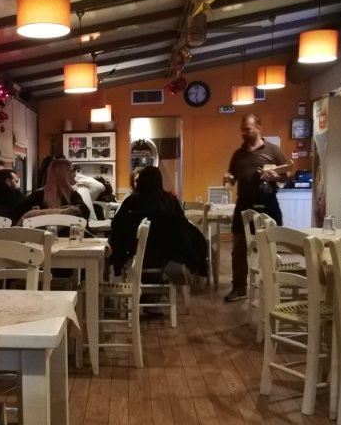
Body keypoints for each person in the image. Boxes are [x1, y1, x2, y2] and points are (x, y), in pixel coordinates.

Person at [223, 113, 290, 302]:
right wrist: (228, 178)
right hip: (243, 204)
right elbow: (232, 178)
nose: (244, 133)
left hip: (268, 203)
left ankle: (272, 285)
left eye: (248, 129)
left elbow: (287, 176)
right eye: (242, 130)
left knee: (271, 247)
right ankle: (239, 287)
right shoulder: (238, 154)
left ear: (258, 127)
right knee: (239, 247)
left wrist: (277, 177)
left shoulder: (273, 151)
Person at [108, 165, 207, 280]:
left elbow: (116, 224)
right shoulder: (171, 199)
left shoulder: (132, 200)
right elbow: (182, 222)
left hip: (138, 252)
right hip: (169, 253)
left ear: (141, 181)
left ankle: (120, 273)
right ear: (160, 181)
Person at [12, 158, 88, 224]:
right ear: (62, 174)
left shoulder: (73, 195)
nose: (74, 174)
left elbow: (85, 214)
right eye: (71, 171)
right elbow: (17, 212)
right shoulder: (38, 195)